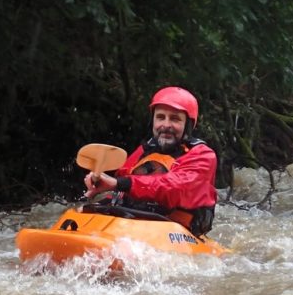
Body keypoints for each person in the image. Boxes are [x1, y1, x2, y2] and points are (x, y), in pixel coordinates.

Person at [83, 86, 218, 236]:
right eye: (160, 117)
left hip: (178, 231)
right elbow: (123, 186)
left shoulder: (203, 155)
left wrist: (118, 183)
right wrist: (103, 192)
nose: (166, 125)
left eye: (175, 119)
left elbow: (174, 188)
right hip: (138, 222)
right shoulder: (144, 150)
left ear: (188, 125)